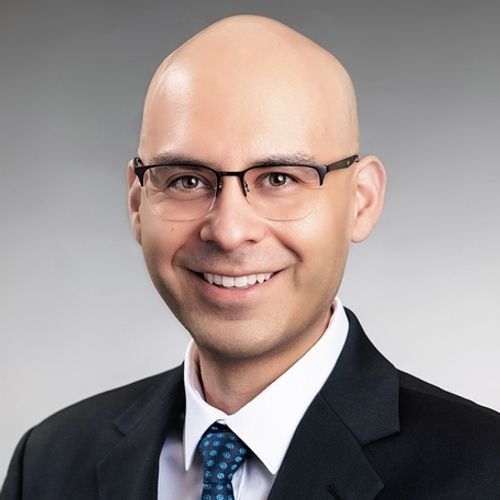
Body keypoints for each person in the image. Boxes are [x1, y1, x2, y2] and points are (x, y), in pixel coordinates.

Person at [2, 14, 500, 500]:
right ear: (137, 202)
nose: (229, 231)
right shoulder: (48, 462)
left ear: (361, 201)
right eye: (187, 180)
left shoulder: (486, 469)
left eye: (279, 178)